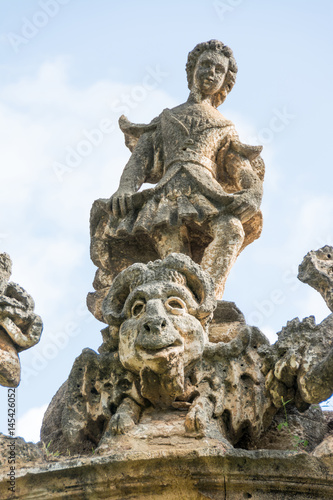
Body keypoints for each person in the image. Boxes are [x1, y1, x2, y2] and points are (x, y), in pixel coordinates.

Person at [95, 40, 264, 299]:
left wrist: (253, 192)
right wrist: (125, 189)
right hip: (167, 196)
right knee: (175, 258)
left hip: (207, 193)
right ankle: (179, 304)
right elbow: (140, 159)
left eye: (219, 69)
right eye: (205, 65)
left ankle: (205, 301)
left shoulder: (224, 126)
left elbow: (239, 165)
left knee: (232, 229)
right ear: (192, 70)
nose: (211, 72)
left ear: (226, 81)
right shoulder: (167, 118)